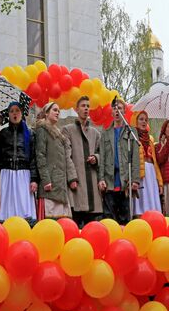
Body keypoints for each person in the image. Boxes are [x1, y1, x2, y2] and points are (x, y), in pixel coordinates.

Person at [62, 96, 103, 227]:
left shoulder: (95, 133)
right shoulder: (68, 130)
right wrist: (72, 178)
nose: (86, 108)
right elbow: (66, 156)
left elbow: (102, 153)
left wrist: (96, 158)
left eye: (87, 106)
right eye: (83, 106)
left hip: (92, 183)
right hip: (77, 183)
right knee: (75, 221)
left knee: (92, 225)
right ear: (76, 109)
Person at [98, 99, 140, 225]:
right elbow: (102, 157)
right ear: (112, 112)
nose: (117, 111)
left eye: (120, 108)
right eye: (115, 108)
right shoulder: (105, 133)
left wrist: (135, 179)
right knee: (109, 220)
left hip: (125, 182)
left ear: (124, 111)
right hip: (110, 182)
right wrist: (101, 179)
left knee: (125, 219)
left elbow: (135, 158)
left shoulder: (131, 132)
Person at [35, 102, 77, 219]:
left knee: (64, 222)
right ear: (46, 113)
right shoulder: (42, 130)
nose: (57, 112)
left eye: (58, 110)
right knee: (51, 222)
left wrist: (71, 179)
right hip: (50, 185)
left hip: (61, 185)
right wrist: (46, 180)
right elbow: (40, 155)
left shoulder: (59, 135)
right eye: (54, 110)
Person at [0, 102, 38, 222]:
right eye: (12, 111)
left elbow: (33, 157)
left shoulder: (29, 133)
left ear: (22, 113)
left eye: (17, 110)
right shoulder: (2, 134)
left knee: (24, 206)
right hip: (7, 174)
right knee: (8, 206)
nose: (15, 113)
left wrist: (34, 179)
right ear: (8, 114)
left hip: (23, 174)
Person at [132, 110, 163, 216]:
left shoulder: (150, 139)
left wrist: (160, 182)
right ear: (136, 122)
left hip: (151, 172)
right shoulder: (133, 137)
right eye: (141, 119)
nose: (144, 122)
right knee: (142, 202)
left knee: (152, 201)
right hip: (140, 172)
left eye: (146, 120)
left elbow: (155, 161)